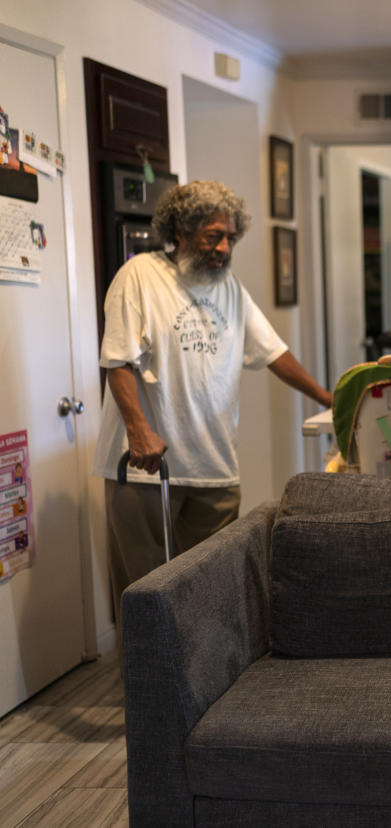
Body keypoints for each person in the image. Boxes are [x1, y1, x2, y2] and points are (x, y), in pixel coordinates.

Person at [92, 179, 333, 626]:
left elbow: (272, 351)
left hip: (215, 468)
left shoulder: (230, 289)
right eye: (213, 236)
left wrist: (329, 398)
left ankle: (207, 693)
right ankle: (147, 694)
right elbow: (117, 360)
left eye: (230, 238)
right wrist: (139, 430)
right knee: (146, 594)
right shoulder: (140, 276)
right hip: (148, 468)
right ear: (181, 231)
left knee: (209, 594)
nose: (224, 248)